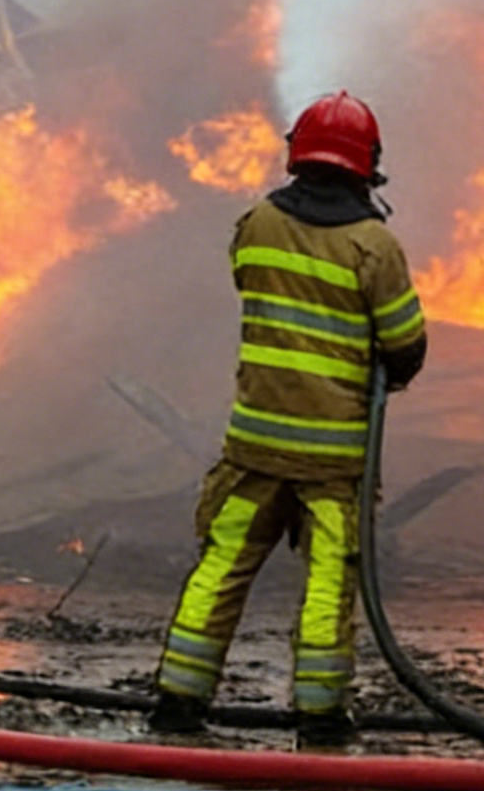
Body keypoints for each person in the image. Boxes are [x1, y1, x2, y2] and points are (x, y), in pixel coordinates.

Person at [148, 90, 427, 746]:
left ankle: (178, 702)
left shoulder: (256, 225)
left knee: (222, 564)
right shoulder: (374, 246)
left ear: (297, 155)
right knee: (331, 578)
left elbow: (250, 286)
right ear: (367, 164)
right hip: (332, 459)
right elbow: (406, 345)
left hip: (254, 448)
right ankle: (322, 717)